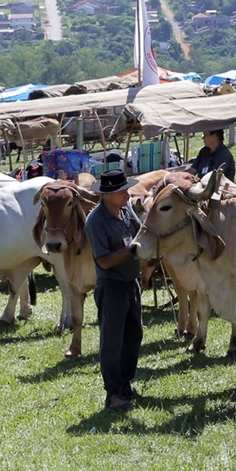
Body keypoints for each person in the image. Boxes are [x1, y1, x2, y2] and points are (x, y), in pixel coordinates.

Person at [85, 167, 143, 411]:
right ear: (106, 195)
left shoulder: (125, 209)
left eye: (126, 190)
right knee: (112, 341)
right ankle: (113, 394)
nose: (127, 195)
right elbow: (104, 261)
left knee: (134, 335)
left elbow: (139, 229)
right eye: (121, 192)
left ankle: (125, 384)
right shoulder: (95, 222)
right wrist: (134, 250)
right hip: (112, 287)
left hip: (131, 282)